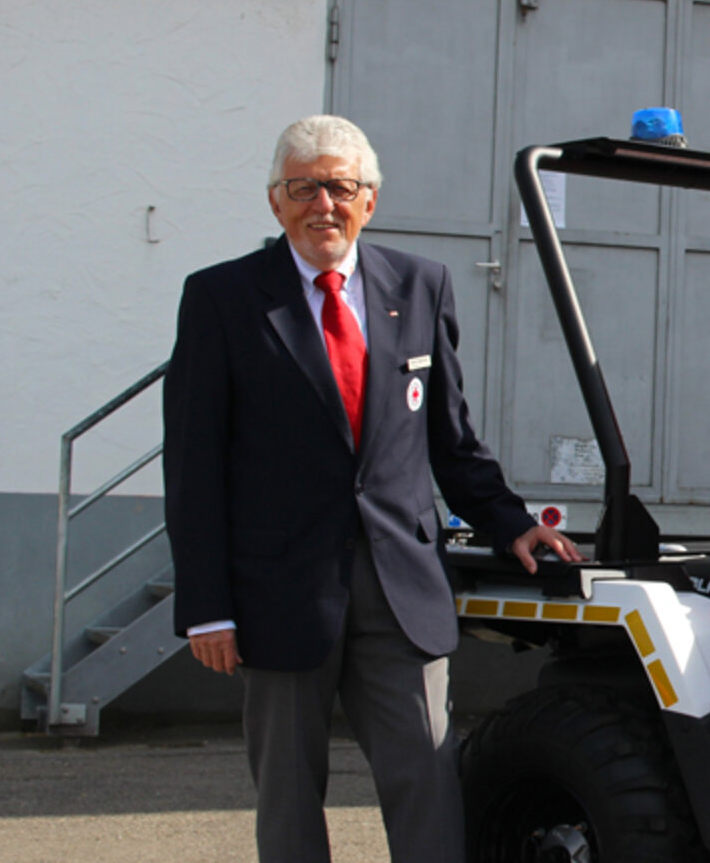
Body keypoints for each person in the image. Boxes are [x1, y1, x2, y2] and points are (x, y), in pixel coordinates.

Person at [164, 115, 579, 863]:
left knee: (426, 776)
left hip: (400, 583)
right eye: (304, 187)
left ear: (370, 201)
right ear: (275, 202)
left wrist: (510, 521)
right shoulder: (222, 298)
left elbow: (450, 437)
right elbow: (194, 465)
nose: (323, 203)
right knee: (289, 794)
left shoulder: (420, 285)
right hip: (275, 591)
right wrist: (205, 607)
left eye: (340, 187)